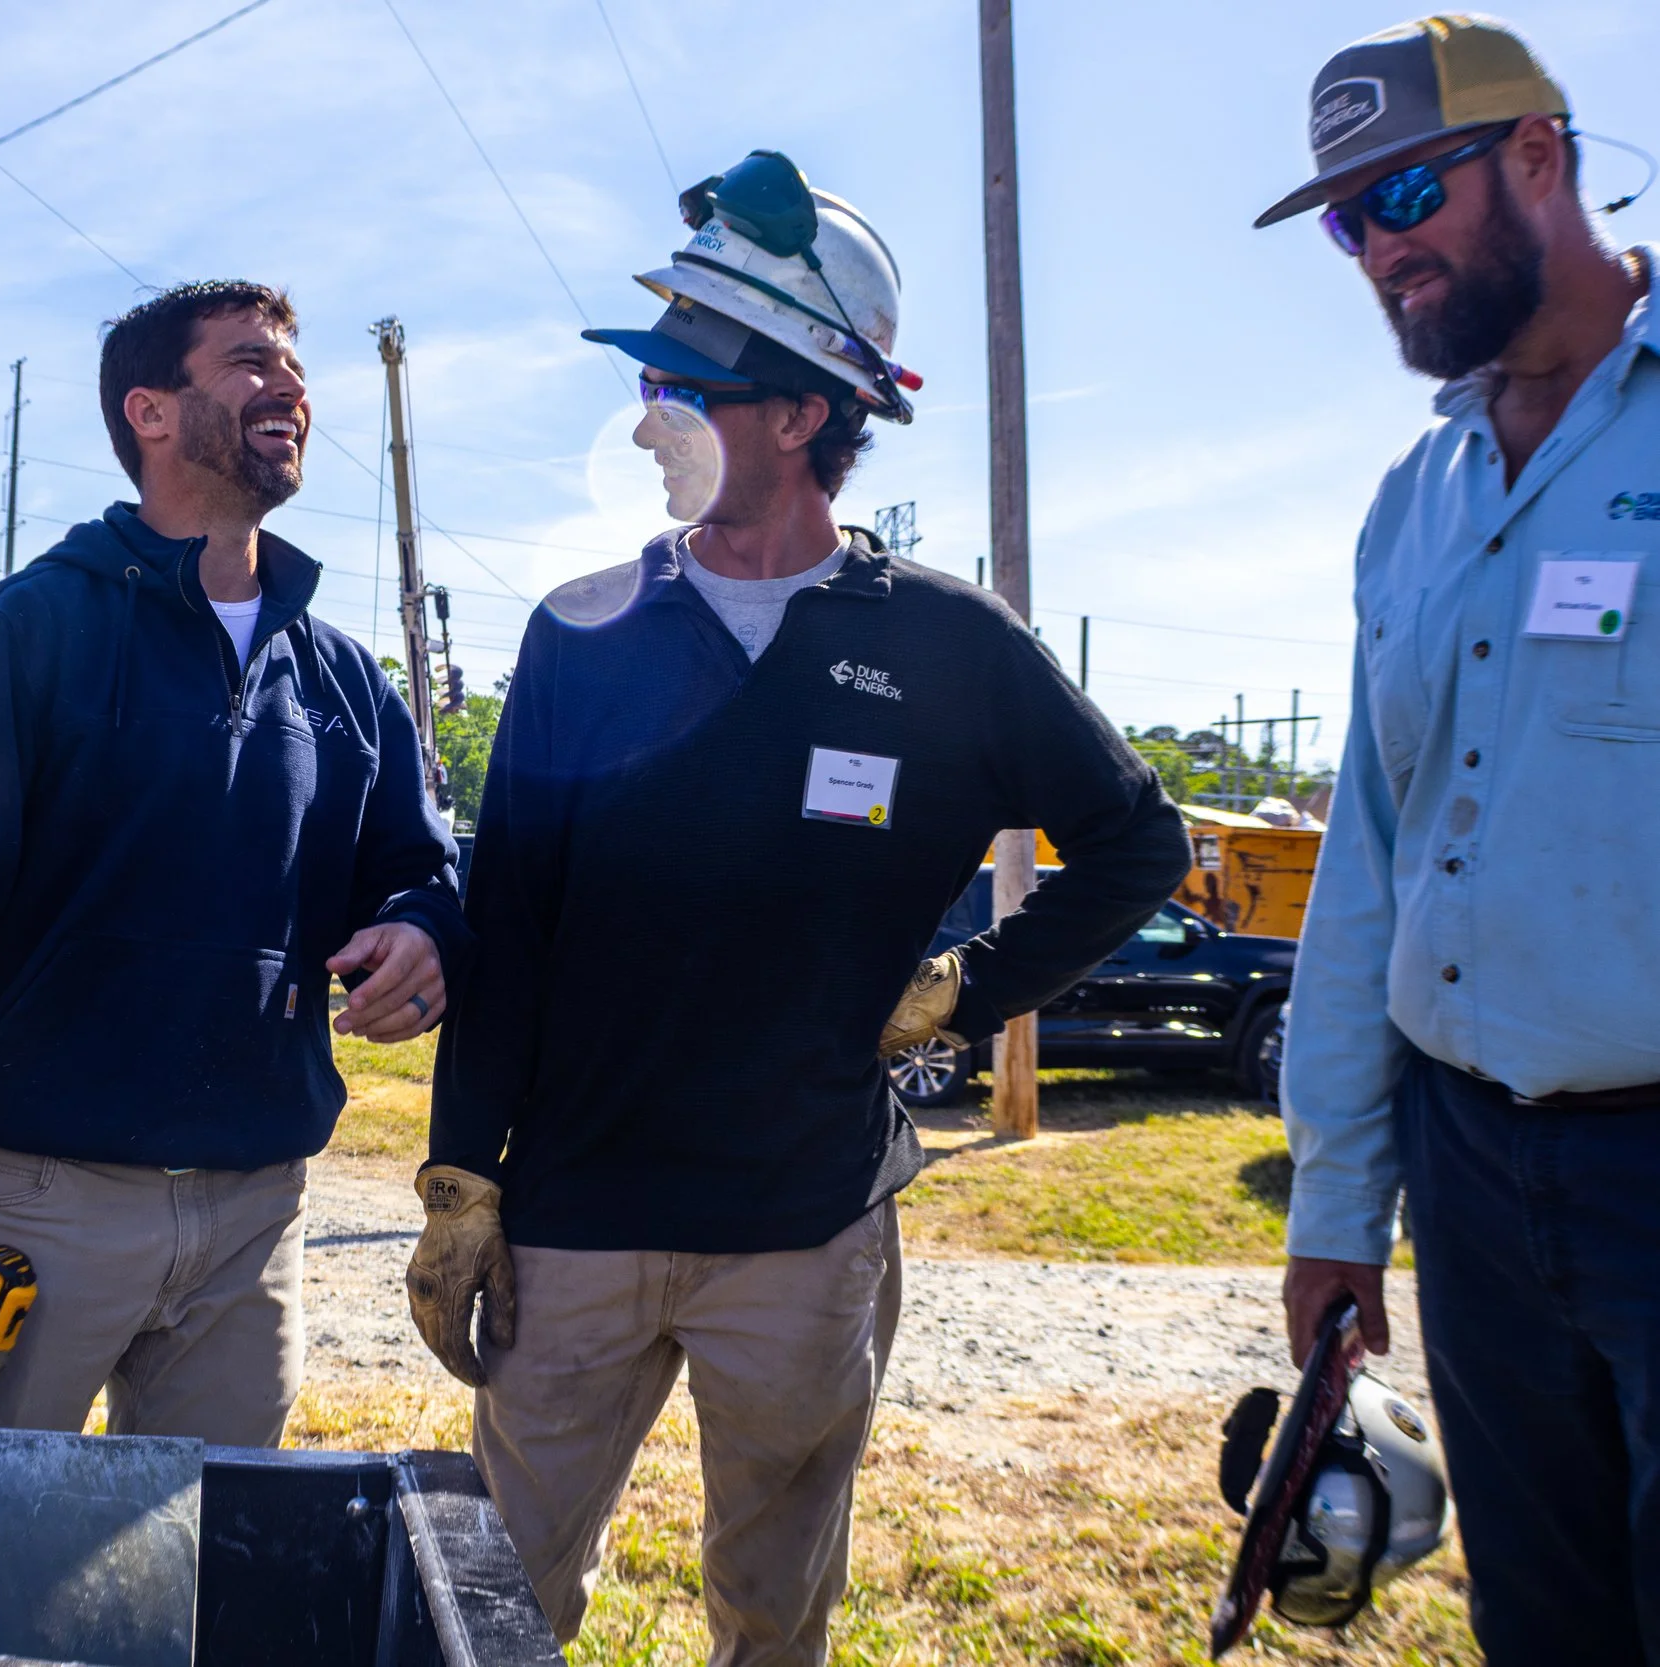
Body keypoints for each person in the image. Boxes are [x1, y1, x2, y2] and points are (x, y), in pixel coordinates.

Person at [411, 152, 1193, 1662]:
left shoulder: (947, 645)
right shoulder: (583, 635)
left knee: (776, 1610)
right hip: (574, 1220)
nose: (647, 420)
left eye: (683, 386)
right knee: (499, 1597)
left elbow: (1135, 840)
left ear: (802, 414)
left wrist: (969, 986)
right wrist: (462, 1179)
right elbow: (509, 921)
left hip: (803, 1225)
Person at [0, 280, 469, 1447]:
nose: (291, 387)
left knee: (202, 1563)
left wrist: (419, 929)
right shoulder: (23, 633)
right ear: (150, 413)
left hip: (255, 1207)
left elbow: (421, 865)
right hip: (33, 1202)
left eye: (296, 370)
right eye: (251, 363)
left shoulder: (343, 676)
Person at [1256, 16, 1660, 1658]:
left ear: (1541, 158)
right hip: (1470, 1171)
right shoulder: (1411, 506)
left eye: (1407, 190)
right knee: (1544, 1619)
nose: (1380, 250)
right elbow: (1368, 864)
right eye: (1349, 222)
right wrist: (1340, 1197)